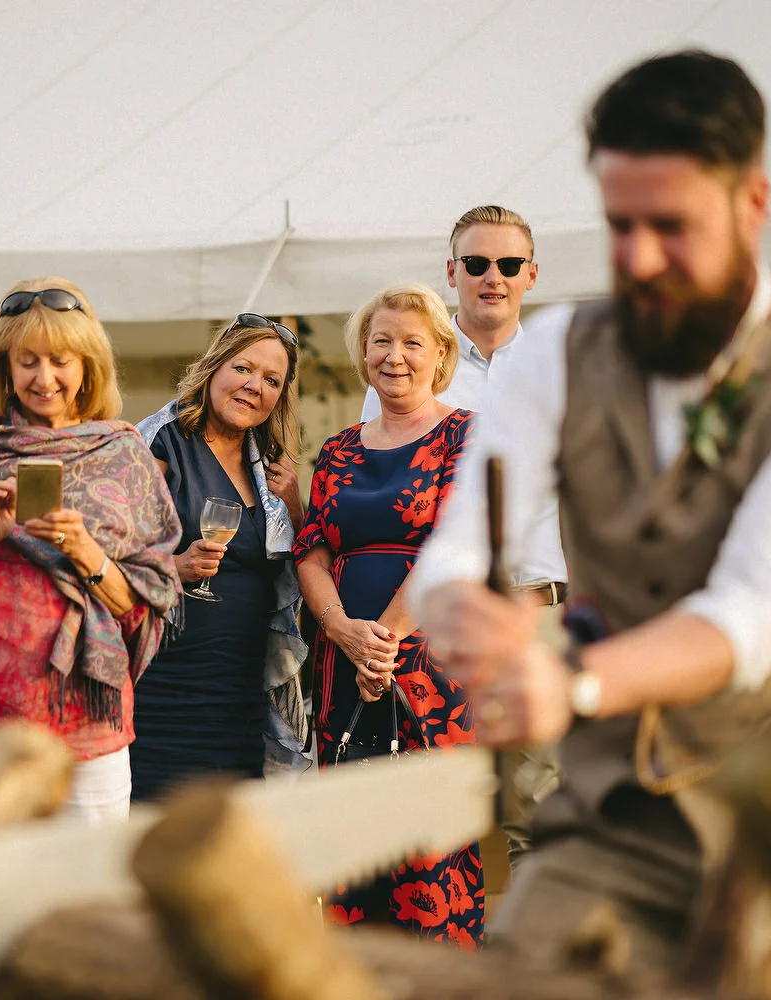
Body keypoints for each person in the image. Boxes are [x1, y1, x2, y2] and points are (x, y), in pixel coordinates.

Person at [410, 50, 771, 975]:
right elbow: (461, 542)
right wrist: (458, 613)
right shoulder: (553, 352)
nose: (638, 259)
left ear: (752, 203)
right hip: (612, 813)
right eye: (618, 224)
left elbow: (751, 612)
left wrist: (574, 683)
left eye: (671, 226)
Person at [0, 277, 180, 825]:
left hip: (86, 726)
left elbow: (145, 604)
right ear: (3, 366)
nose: (44, 378)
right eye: (27, 361)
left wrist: (85, 550)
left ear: (87, 364)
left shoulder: (121, 453)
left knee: (87, 890)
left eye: (60, 360)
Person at [374, 205, 567, 861]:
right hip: (440, 618)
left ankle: (534, 960)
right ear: (452, 272)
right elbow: (379, 487)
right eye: (478, 264)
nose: (493, 277)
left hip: (534, 608)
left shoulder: (558, 363)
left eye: (508, 265)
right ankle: (435, 958)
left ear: (531, 275)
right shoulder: (410, 362)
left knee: (539, 810)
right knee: (432, 807)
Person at [293, 282, 481, 950]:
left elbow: (454, 547)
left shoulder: (465, 433)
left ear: (439, 354)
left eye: (411, 342)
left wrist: (387, 645)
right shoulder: (339, 448)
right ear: (363, 354)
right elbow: (309, 551)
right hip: (343, 663)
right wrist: (344, 633)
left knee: (425, 840)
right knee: (349, 841)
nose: (393, 356)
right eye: (380, 341)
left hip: (430, 668)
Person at [131, 313, 308, 801]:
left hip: (243, 692)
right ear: (213, 368)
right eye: (243, 368)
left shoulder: (269, 470)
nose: (255, 386)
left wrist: (296, 507)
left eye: (272, 380)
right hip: (166, 687)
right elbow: (105, 557)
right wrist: (175, 568)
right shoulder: (161, 447)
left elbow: (296, 569)